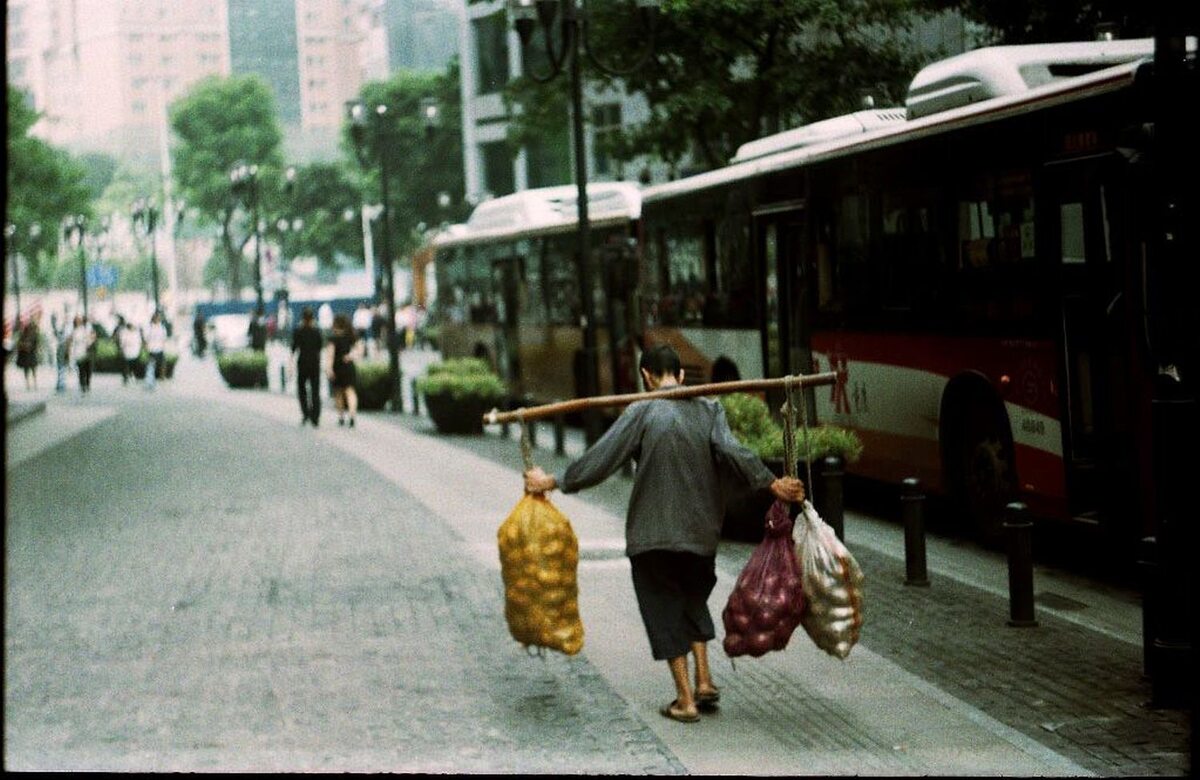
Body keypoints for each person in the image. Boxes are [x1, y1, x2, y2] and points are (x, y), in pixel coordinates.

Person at [523, 344, 806, 724]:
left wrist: (554, 481)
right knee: (692, 599)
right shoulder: (710, 409)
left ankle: (685, 700)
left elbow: (603, 458)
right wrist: (771, 484)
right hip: (701, 532)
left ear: (646, 376)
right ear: (682, 375)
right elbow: (732, 451)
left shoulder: (640, 410)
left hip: (652, 535)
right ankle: (704, 680)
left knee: (663, 608)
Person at [324, 313, 364, 427]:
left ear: (335, 324)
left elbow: (330, 356)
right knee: (350, 391)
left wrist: (329, 369)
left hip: (337, 366)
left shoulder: (333, 338)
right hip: (348, 366)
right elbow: (360, 349)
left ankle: (341, 416)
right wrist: (351, 356)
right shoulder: (351, 336)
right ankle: (352, 415)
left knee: (338, 393)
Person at [292, 307, 323, 426]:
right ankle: (315, 417)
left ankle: (305, 413)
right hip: (315, 363)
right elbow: (320, 348)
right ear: (312, 318)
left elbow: (294, 348)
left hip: (302, 363)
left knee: (302, 389)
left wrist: (290, 366)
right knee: (315, 390)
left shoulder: (298, 331)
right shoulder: (316, 331)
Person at [68, 315, 96, 393]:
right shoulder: (74, 332)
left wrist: (90, 341)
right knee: (81, 370)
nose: (78, 322)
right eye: (76, 321)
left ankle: (87, 383)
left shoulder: (86, 329)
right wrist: (71, 354)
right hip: (79, 352)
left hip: (87, 352)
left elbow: (92, 338)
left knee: (88, 370)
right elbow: (72, 344)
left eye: (79, 321)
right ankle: (82, 385)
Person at [143, 311, 168, 390]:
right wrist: (146, 346)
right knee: (151, 367)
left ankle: (161, 378)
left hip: (160, 349)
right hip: (151, 349)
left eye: (159, 318)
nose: (158, 319)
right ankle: (150, 383)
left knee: (162, 364)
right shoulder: (149, 327)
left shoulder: (162, 327)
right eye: (156, 317)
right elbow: (145, 338)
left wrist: (163, 346)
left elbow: (164, 338)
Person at [15, 320, 41, 391]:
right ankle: (29, 385)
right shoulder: (23, 335)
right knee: (28, 370)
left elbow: (36, 345)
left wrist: (32, 348)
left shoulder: (33, 335)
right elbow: (19, 344)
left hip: (31, 354)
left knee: (32, 370)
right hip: (26, 355)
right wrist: (24, 346)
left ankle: (33, 385)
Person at [118, 321, 143, 386]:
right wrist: (122, 349)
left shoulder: (137, 333)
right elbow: (122, 342)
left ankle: (135, 376)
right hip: (127, 351)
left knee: (134, 366)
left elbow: (139, 342)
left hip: (135, 351)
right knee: (126, 366)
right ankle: (125, 378)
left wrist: (139, 350)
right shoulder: (124, 333)